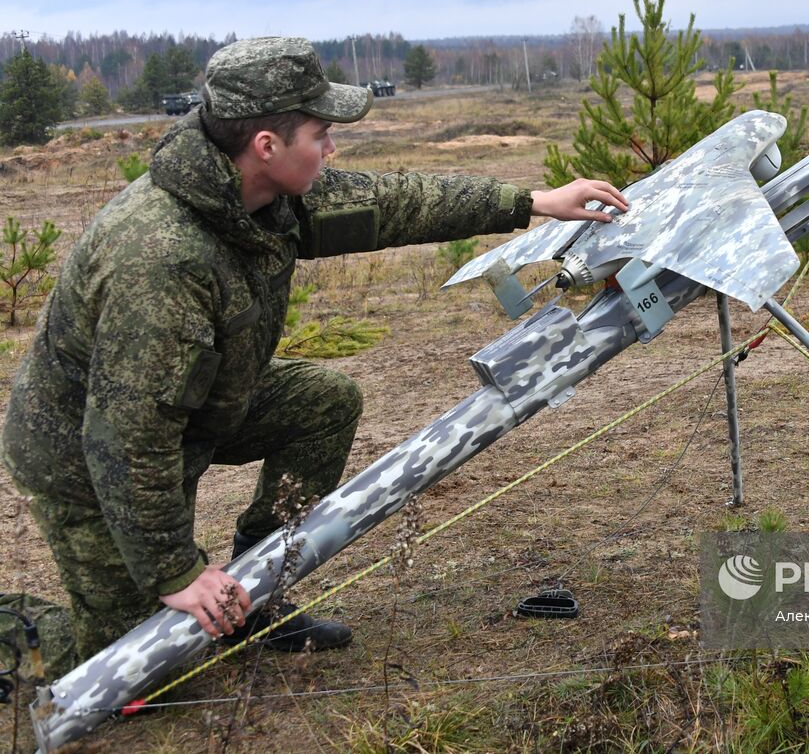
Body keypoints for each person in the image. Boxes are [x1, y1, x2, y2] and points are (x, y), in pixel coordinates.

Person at [0, 37, 627, 671]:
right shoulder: (162, 260)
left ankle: (257, 588)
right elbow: (128, 437)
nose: (333, 149)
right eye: (322, 133)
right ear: (267, 146)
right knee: (122, 674)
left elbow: (394, 202)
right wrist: (176, 571)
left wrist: (533, 204)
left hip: (193, 412)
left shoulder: (267, 195)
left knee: (323, 404)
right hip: (84, 459)